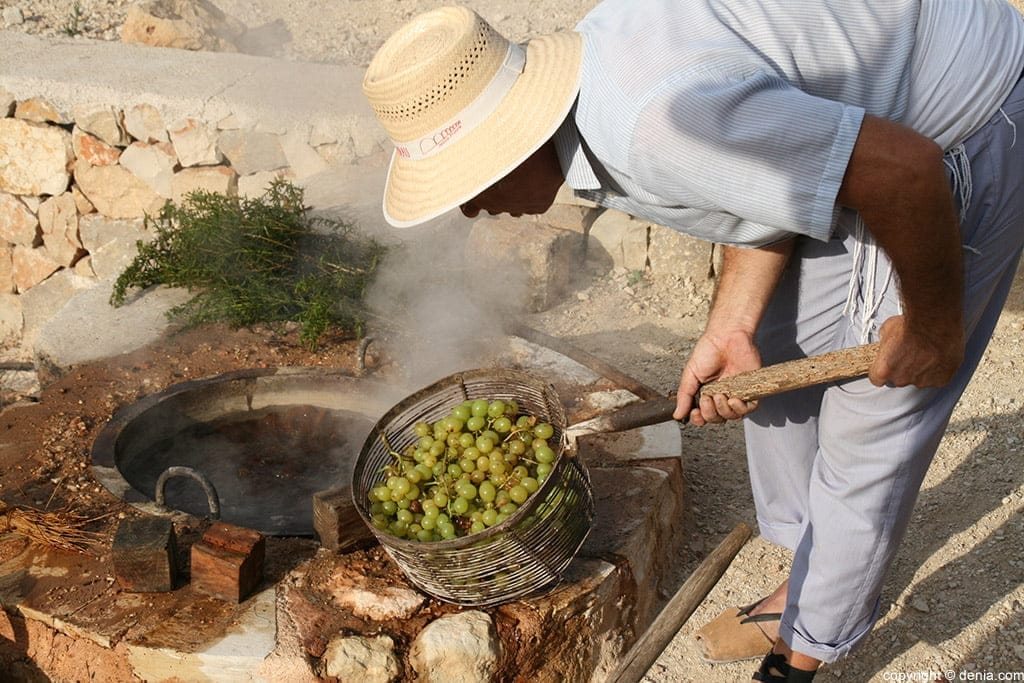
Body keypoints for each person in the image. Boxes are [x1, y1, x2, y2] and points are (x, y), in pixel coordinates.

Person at [361, 2, 1024, 680]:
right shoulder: (604, 88)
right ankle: (808, 583)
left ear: (517, 137)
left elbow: (905, 171)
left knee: (871, 428)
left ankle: (803, 654)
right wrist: (731, 324)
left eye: (467, 183)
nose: (469, 209)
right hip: (871, 135)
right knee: (779, 351)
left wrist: (935, 327)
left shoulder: (653, 128)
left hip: (953, 130)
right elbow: (771, 170)